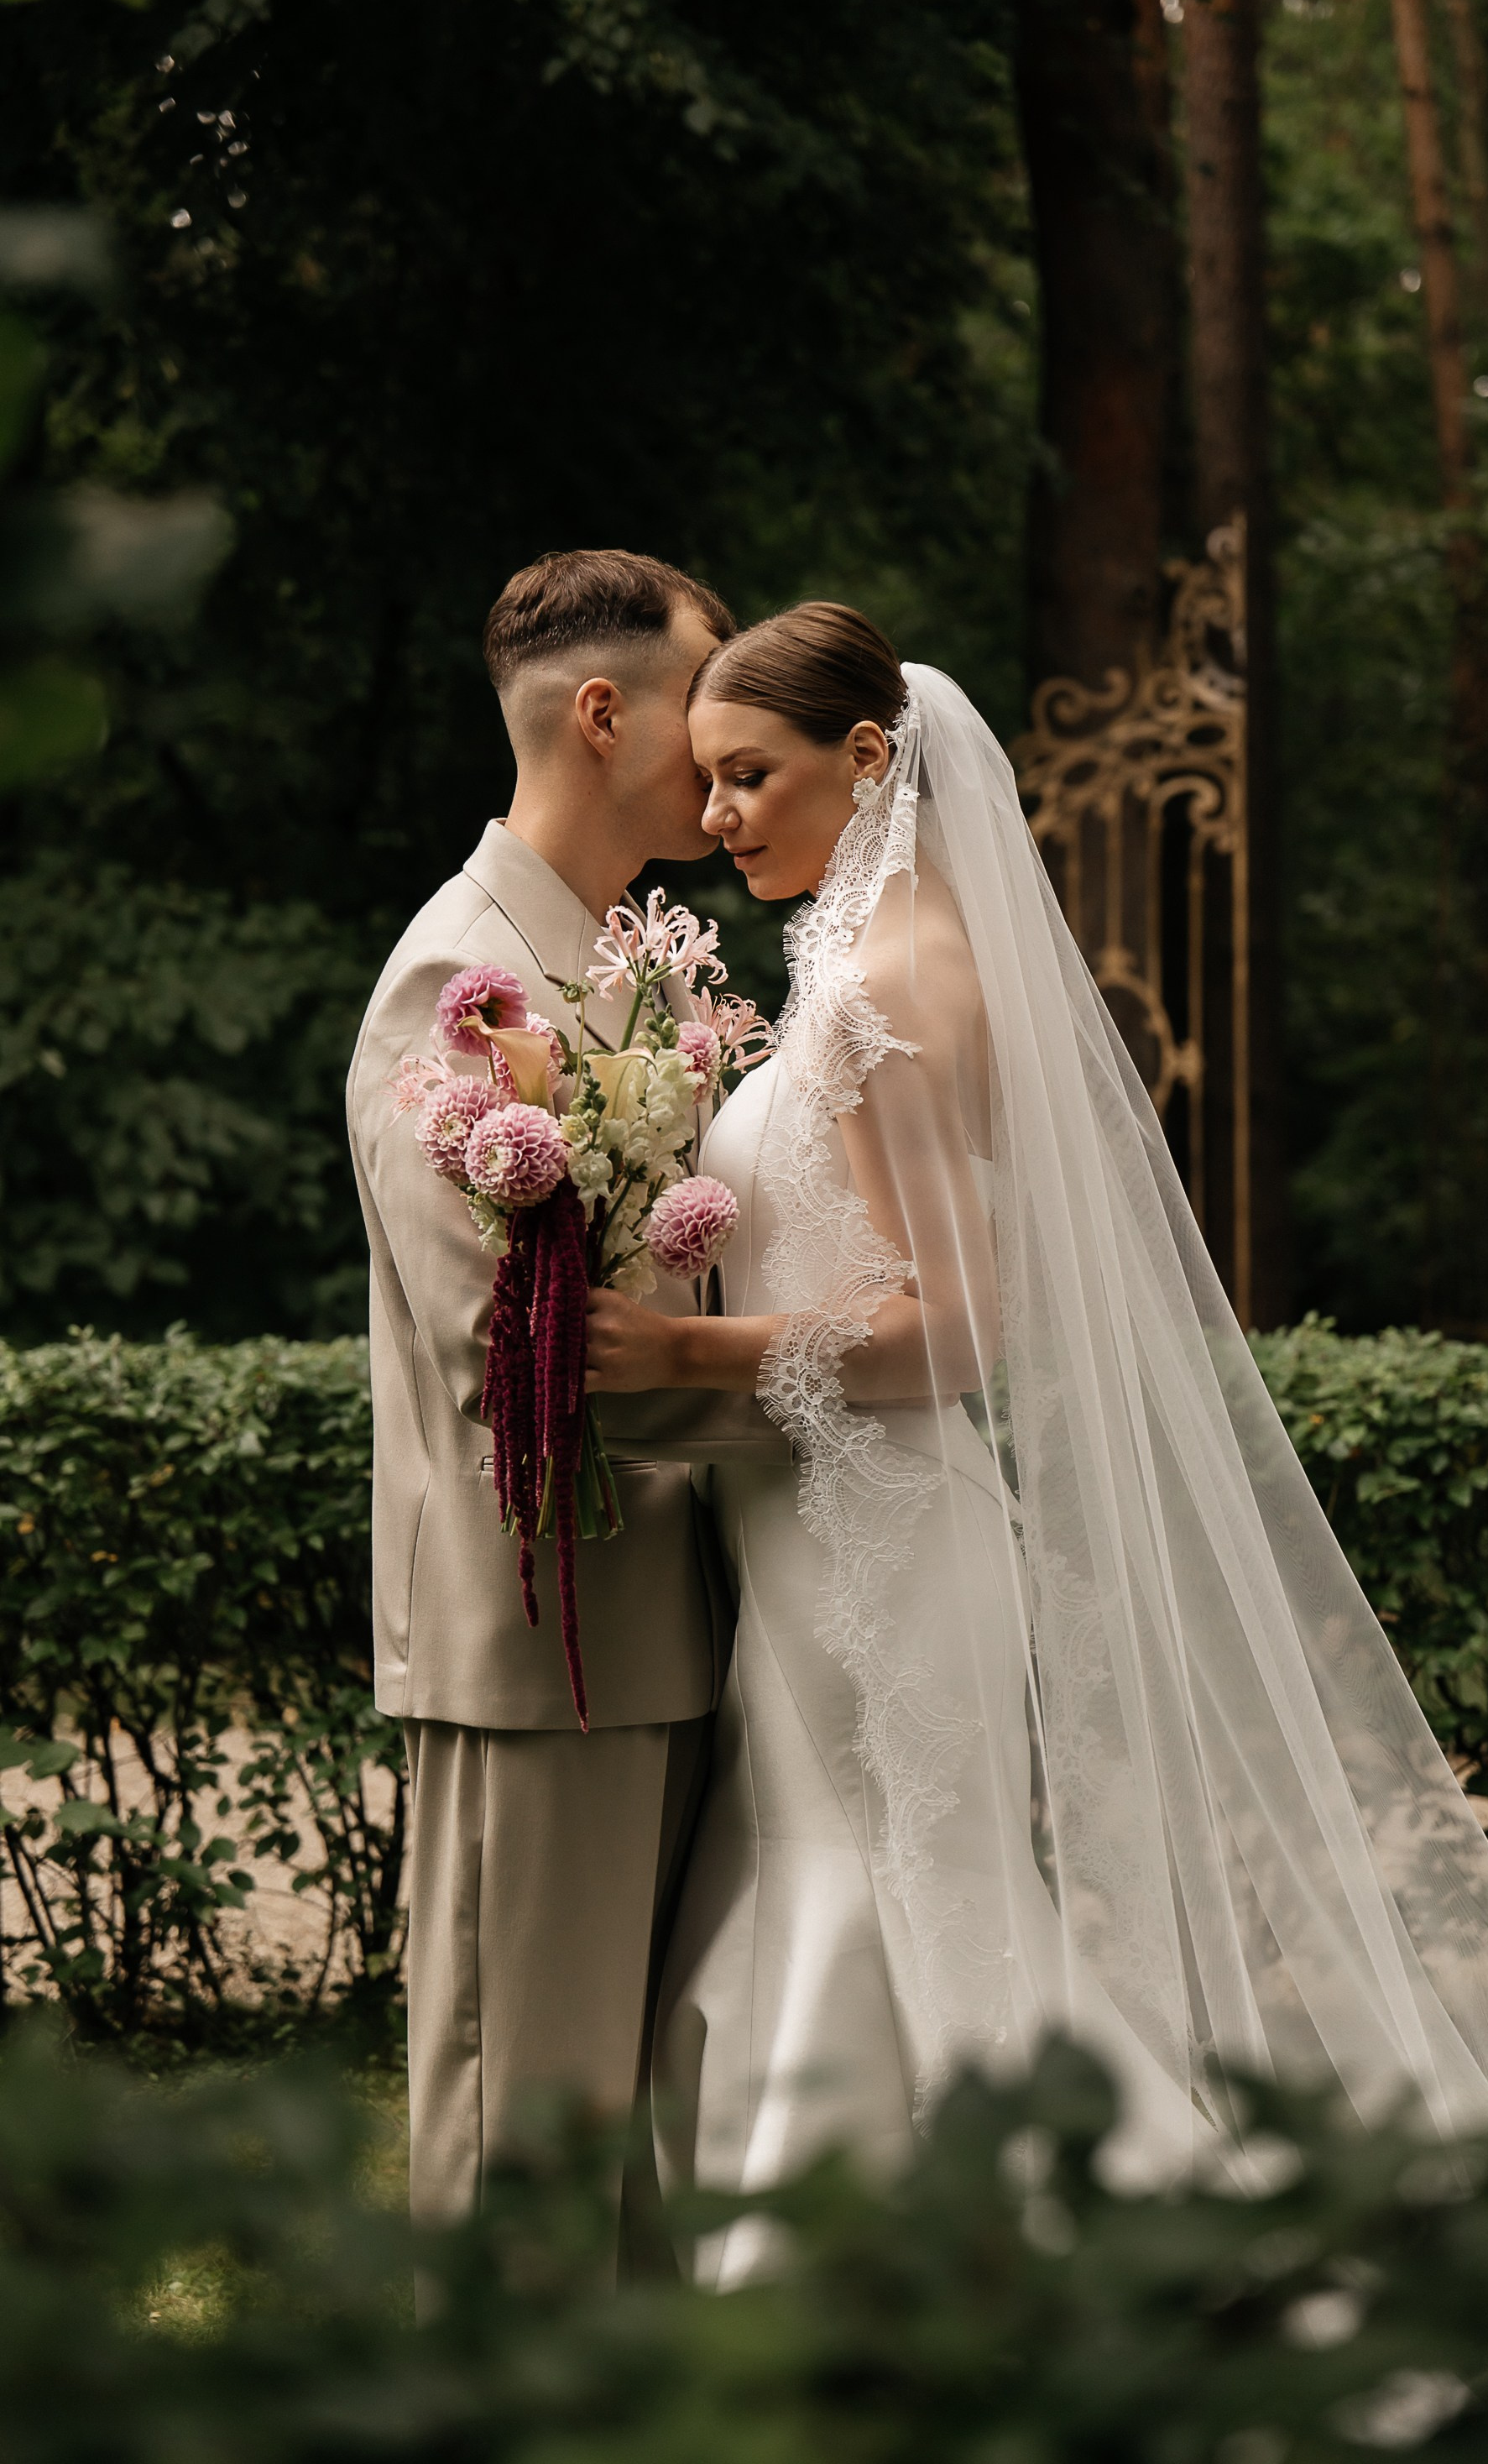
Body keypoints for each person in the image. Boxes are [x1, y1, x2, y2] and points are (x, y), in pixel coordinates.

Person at [581, 602, 1488, 2286]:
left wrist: (682, 1347)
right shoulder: (875, 965)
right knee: (849, 1902)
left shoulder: (878, 996)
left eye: (744, 775)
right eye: (704, 781)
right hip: (824, 1542)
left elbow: (960, 1326)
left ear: (868, 760)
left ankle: (1023, 2292)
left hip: (882, 1550)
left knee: (904, 1914)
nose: (713, 816)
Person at [346, 548, 786, 2240]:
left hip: (689, 1616)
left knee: (645, 2170)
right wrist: (830, 1393)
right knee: (521, 2148)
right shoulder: (456, 984)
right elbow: (517, 1371)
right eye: (704, 702)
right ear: (603, 715)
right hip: (539, 1644)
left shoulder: (641, 968)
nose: (731, 742)